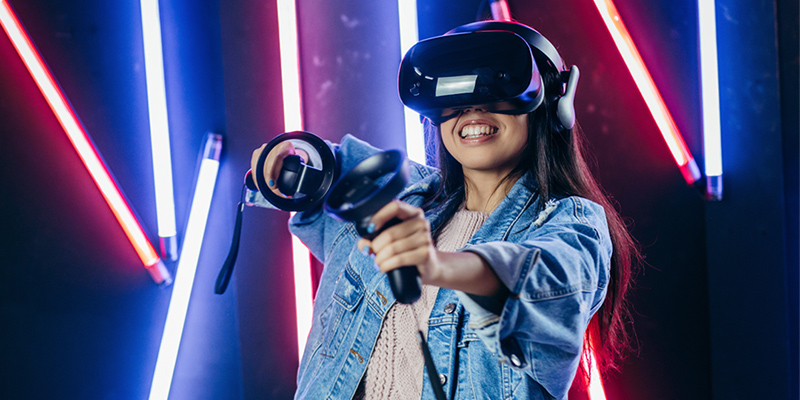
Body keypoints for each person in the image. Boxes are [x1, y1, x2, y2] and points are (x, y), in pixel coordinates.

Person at [250, 20, 638, 400]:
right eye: (453, 99)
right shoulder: (403, 195)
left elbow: (541, 278)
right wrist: (276, 165)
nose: (472, 110)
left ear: (553, 101)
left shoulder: (573, 223)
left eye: (498, 85)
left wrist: (436, 265)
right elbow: (311, 169)